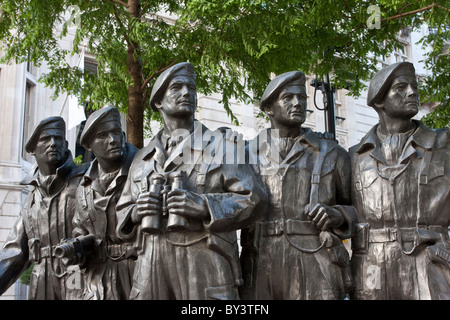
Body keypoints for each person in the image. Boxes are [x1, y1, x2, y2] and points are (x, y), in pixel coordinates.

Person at [116, 62, 267, 300]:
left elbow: (254, 199)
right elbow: (123, 209)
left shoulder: (222, 146)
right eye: (177, 87)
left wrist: (205, 205)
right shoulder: (142, 158)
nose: (187, 93)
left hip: (205, 259)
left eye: (191, 87)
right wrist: (136, 212)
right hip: (152, 263)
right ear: (158, 101)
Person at [240, 71, 357, 300]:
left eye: (302, 98)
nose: (298, 103)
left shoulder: (333, 154)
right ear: (269, 108)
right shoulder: (245, 155)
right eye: (288, 98)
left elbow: (359, 210)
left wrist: (338, 215)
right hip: (260, 260)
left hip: (314, 260)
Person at [349, 61, 450, 300]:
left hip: (429, 263)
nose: (412, 92)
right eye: (401, 88)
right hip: (372, 266)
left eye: (413, 86)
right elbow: (344, 209)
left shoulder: (444, 146)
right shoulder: (354, 156)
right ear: (379, 101)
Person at [0, 117, 88, 299]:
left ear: (65, 144)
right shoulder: (31, 199)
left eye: (58, 139)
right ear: (33, 149)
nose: (53, 143)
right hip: (40, 277)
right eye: (45, 139)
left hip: (75, 271)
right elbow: (14, 253)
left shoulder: (84, 180)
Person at [58, 107, 139, 300]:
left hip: (135, 274)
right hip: (96, 282)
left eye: (116, 132)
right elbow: (80, 229)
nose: (113, 140)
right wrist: (77, 248)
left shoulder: (142, 169)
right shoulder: (84, 186)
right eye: (103, 135)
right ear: (89, 145)